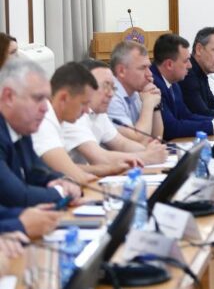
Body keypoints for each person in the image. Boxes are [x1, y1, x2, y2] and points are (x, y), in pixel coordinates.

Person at [33, 62, 138, 184]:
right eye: (83, 103)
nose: (87, 111)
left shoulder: (58, 118)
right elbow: (71, 173)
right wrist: (106, 170)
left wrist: (107, 169)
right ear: (64, 98)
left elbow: (66, 168)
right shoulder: (44, 120)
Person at [0, 57, 81, 213]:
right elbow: (17, 197)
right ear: (9, 96)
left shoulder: (22, 128)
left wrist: (65, 181)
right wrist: (61, 193)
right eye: (38, 98)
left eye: (46, 99)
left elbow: (38, 173)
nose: (45, 108)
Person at [62, 60, 169, 168]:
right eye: (105, 86)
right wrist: (146, 157)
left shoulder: (99, 114)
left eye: (113, 88)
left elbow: (122, 144)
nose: (111, 94)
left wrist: (151, 150)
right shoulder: (73, 116)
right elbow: (100, 158)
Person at [151, 34, 214, 140]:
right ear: (169, 64)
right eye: (186, 61)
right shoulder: (153, 84)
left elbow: (186, 116)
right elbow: (170, 128)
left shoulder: (174, 83)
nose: (190, 65)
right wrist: (213, 126)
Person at [107, 41, 164, 143]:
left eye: (149, 67)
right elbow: (137, 140)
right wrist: (148, 104)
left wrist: (155, 106)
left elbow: (157, 138)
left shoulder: (135, 92)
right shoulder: (110, 97)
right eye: (143, 68)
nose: (150, 74)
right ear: (121, 71)